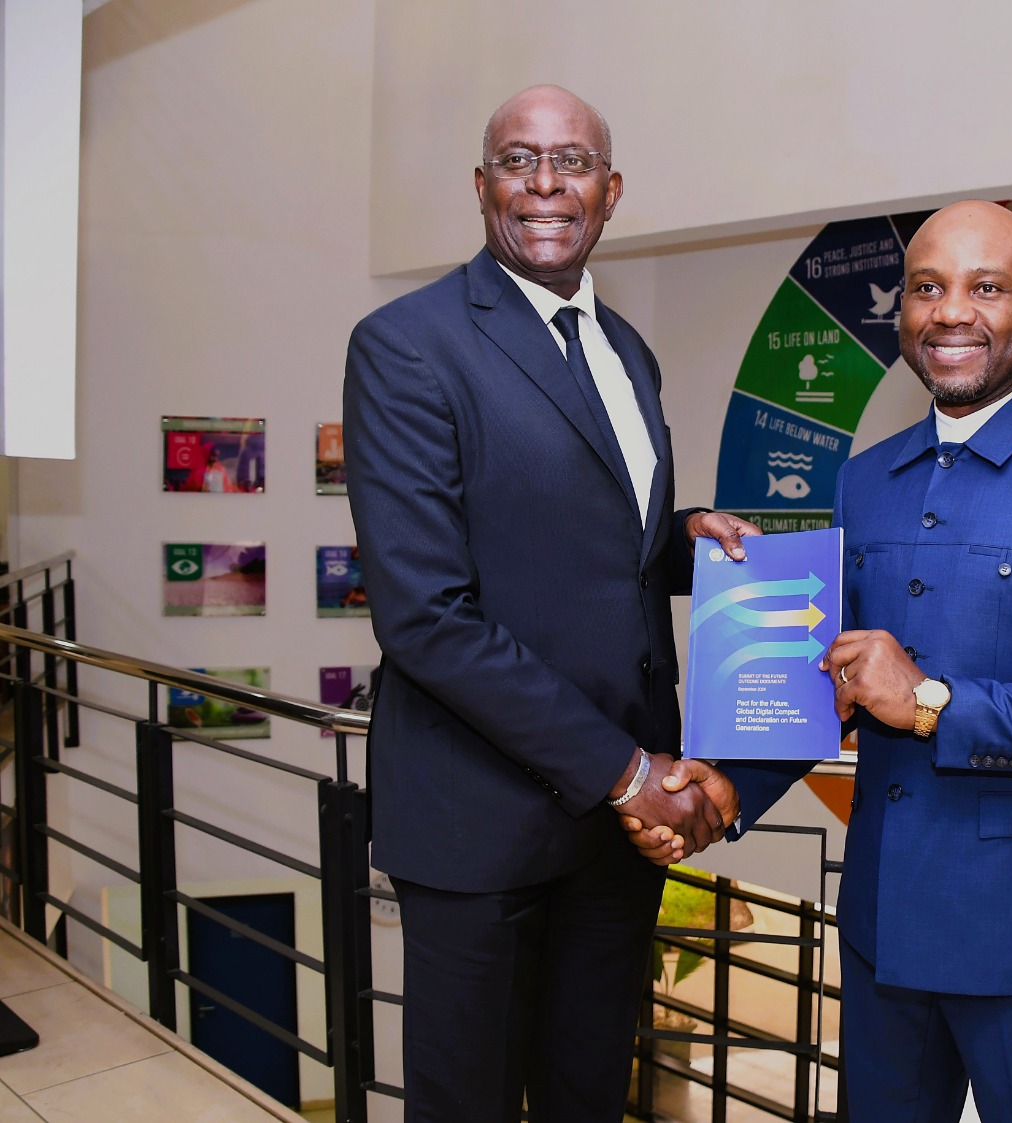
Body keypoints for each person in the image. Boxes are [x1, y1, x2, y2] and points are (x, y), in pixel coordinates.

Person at [629, 200, 1012, 1121]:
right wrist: (730, 787)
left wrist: (934, 700)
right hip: (884, 919)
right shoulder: (868, 477)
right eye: (928, 287)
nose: (951, 311)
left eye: (987, 287)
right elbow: (836, 680)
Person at [343, 85, 755, 1123]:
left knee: (588, 1095)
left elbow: (582, 537)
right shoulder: (407, 344)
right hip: (484, 820)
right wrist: (628, 773)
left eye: (571, 161)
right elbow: (425, 612)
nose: (544, 184)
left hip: (614, 831)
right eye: (517, 160)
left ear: (608, 192)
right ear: (482, 185)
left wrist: (683, 538)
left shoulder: (627, 349)